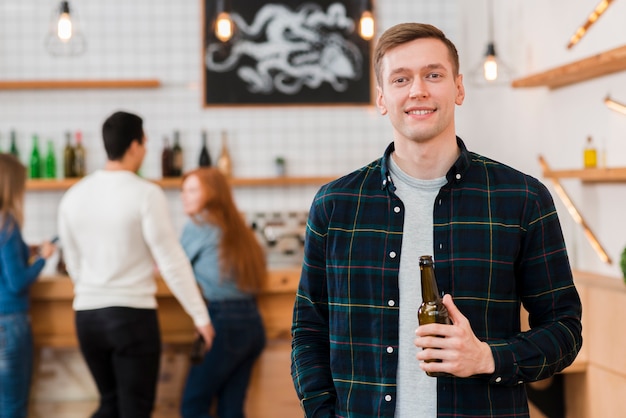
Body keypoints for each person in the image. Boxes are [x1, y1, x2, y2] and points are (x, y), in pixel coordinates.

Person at [290, 23, 583, 417]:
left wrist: (487, 357)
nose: (418, 91)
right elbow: (308, 334)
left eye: (433, 75)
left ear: (458, 88)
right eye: (401, 79)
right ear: (381, 97)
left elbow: (564, 330)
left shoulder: (522, 199)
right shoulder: (336, 206)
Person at [57, 111, 215, 418]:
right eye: (144, 141)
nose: (145, 148)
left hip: (87, 316)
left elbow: (73, 263)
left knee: (110, 403)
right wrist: (200, 315)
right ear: (134, 145)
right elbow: (170, 260)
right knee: (135, 409)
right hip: (131, 316)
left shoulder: (73, 195)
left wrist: (94, 289)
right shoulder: (145, 193)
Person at [179, 167, 266, 418]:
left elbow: (172, 266)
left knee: (193, 406)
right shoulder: (239, 228)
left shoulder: (199, 224)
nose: (185, 196)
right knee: (231, 409)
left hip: (223, 323)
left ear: (212, 193)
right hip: (252, 323)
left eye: (193, 190)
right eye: (183, 190)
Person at [0, 153, 56, 418]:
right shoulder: (6, 224)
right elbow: (17, 282)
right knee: (14, 406)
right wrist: (42, 259)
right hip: (9, 324)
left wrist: (27, 251)